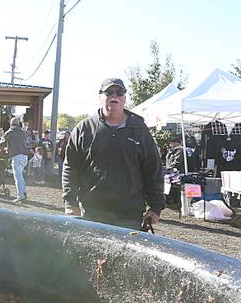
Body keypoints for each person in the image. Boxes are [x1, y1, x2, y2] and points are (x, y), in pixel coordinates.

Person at [62, 78, 164, 230]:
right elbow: (70, 167)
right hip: (92, 213)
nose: (114, 97)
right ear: (100, 97)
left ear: (124, 98)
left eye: (119, 92)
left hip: (129, 216)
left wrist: (156, 207)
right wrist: (70, 203)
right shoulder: (85, 128)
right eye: (108, 93)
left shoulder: (139, 129)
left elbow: (153, 169)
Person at [0, 116, 30, 202]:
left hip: (17, 157)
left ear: (11, 124)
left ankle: (20, 196)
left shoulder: (10, 132)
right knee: (20, 176)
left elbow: (2, 143)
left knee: (17, 177)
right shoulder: (23, 132)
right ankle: (23, 193)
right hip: (25, 157)